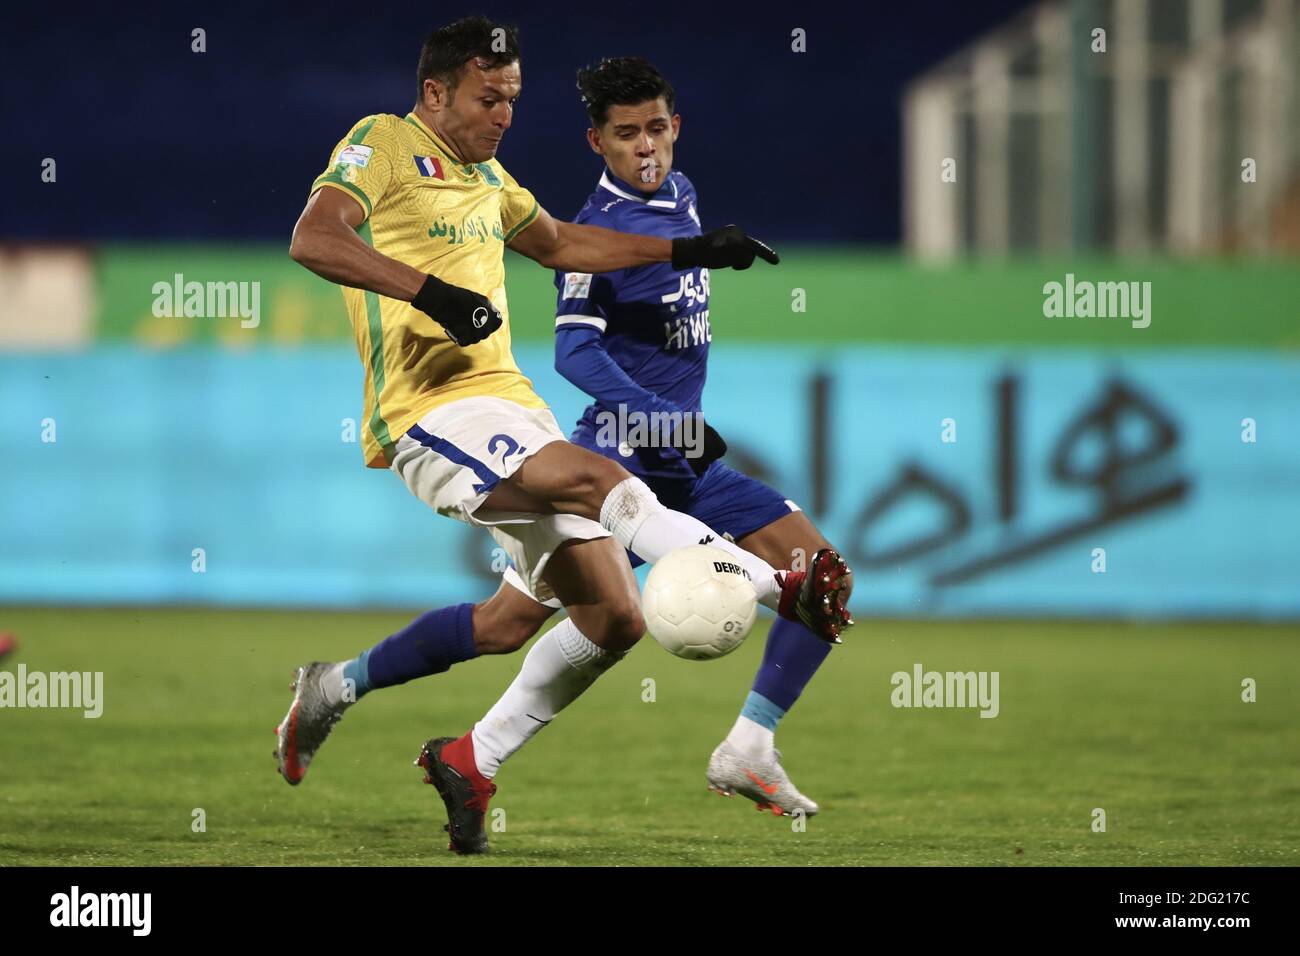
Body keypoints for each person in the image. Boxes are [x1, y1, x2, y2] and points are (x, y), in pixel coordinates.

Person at [275, 18, 853, 854]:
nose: (503, 114)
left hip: (510, 405)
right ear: (436, 91)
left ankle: (396, 720)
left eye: (511, 98)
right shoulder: (383, 144)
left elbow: (558, 244)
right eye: (486, 98)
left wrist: (692, 247)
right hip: (428, 411)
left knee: (609, 616)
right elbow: (314, 237)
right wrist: (431, 294)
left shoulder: (491, 176)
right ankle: (777, 590)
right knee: (592, 481)